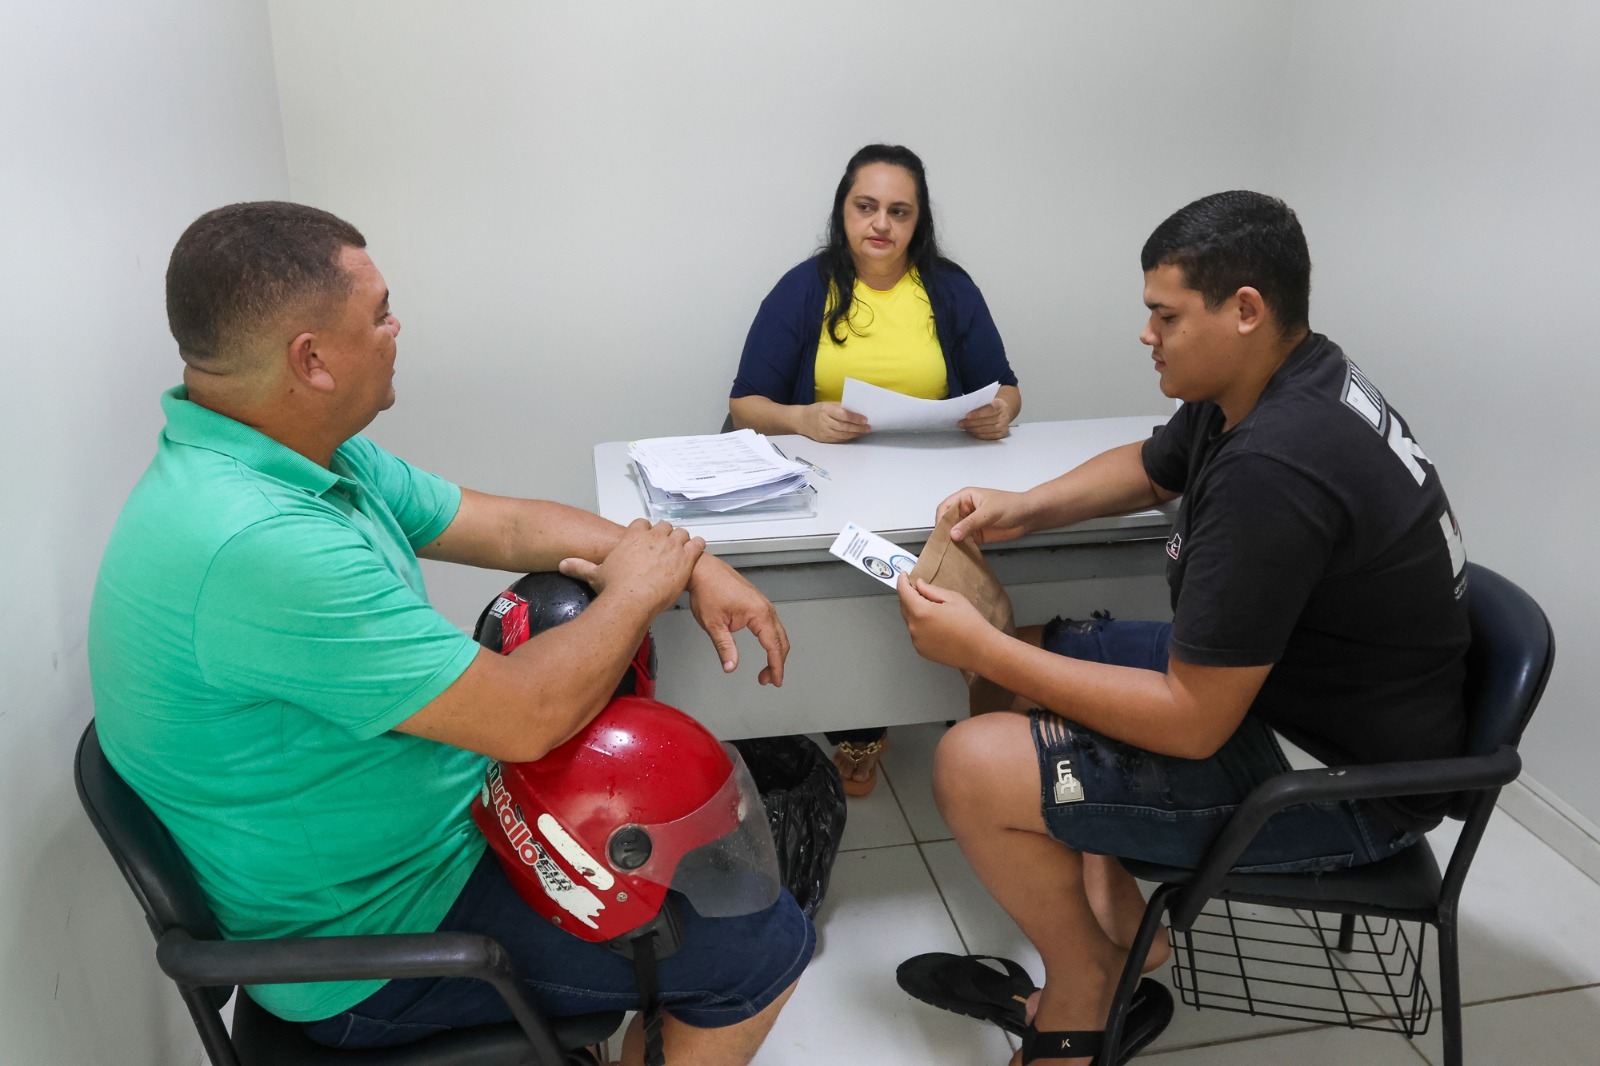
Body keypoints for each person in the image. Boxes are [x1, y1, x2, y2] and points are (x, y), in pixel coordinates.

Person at [87, 202, 811, 1066]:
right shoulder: (257, 545)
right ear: (311, 360)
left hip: (426, 836)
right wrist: (641, 585)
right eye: (380, 313)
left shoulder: (295, 452)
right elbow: (523, 717)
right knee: (762, 947)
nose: (397, 329)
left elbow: (505, 527)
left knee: (563, 611)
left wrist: (683, 560)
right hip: (377, 942)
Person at [891, 191, 1469, 1066]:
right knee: (1015, 670)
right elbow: (1154, 466)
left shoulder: (1277, 466)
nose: (1147, 334)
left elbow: (1193, 721)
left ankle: (1084, 989)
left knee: (970, 762)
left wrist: (982, 646)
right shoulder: (1280, 376)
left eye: (1166, 315)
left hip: (1340, 776)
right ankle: (1124, 921)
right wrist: (1024, 509)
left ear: (1246, 310)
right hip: (1292, 688)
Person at [729, 143, 1023, 795]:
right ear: (843, 211)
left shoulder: (948, 288)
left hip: (930, 484)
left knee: (957, 573)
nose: (881, 224)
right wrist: (803, 418)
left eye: (899, 211)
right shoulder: (806, 287)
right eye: (866, 207)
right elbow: (744, 404)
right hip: (832, 486)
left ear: (919, 220)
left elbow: (1006, 387)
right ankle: (859, 718)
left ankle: (957, 696)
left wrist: (1000, 411)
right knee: (853, 582)